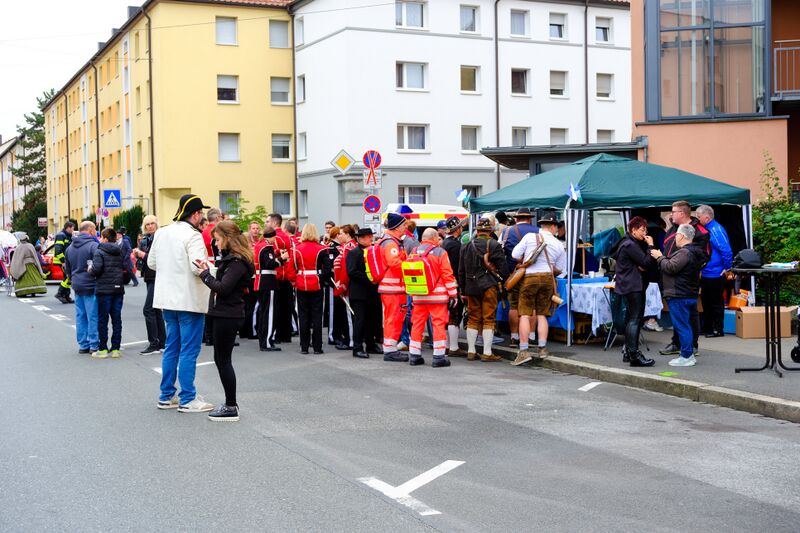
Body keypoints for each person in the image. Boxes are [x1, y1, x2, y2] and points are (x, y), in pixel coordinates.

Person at [147, 194, 214, 413]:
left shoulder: (162, 231)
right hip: (188, 299)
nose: (202, 217)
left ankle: (166, 395)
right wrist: (216, 270)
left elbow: (152, 262)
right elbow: (198, 267)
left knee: (172, 348)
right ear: (194, 214)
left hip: (167, 299)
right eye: (201, 213)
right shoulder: (193, 235)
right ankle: (187, 398)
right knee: (188, 350)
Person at [197, 220, 254, 421]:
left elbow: (223, 288)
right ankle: (230, 404)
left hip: (228, 315)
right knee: (222, 360)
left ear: (228, 239)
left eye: (218, 240)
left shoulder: (237, 262)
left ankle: (231, 406)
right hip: (227, 313)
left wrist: (204, 274)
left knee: (223, 361)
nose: (216, 244)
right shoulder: (233, 260)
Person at [510, 214, 566, 365]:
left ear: (542, 226)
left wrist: (527, 260)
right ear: (553, 227)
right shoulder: (559, 244)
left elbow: (514, 254)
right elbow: (561, 270)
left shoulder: (529, 237)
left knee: (525, 314)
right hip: (547, 278)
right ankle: (542, 348)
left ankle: (523, 351)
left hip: (529, 278)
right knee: (542, 314)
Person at [659, 201, 710, 356]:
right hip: (671, 277)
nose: (670, 215)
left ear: (682, 213)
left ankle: (692, 346)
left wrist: (689, 269)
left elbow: (705, 255)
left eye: (673, 212)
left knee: (690, 314)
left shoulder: (700, 231)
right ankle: (677, 343)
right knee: (678, 315)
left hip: (687, 279)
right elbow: (668, 251)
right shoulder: (672, 230)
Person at [651, 224, 705, 367]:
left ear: (681, 236)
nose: (675, 237)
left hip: (679, 294)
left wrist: (660, 257)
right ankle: (689, 354)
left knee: (682, 326)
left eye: (676, 235)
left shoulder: (684, 253)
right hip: (688, 293)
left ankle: (686, 356)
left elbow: (670, 267)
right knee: (687, 325)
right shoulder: (694, 252)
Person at [405, 228, 458, 368]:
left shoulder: (414, 252)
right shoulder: (440, 252)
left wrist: (412, 294)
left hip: (419, 295)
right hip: (437, 296)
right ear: (435, 238)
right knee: (438, 324)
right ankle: (439, 356)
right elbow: (448, 275)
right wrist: (453, 294)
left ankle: (414, 355)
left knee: (417, 324)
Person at [458, 218, 509, 360]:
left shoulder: (466, 246)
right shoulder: (493, 244)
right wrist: (502, 281)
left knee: (473, 318)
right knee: (489, 318)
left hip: (471, 287)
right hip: (489, 286)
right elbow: (504, 269)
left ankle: (471, 351)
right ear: (490, 230)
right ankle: (487, 353)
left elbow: (461, 271)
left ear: (477, 230)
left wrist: (463, 290)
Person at [610, 216, 656, 367]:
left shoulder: (626, 242)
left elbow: (642, 264)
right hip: (634, 285)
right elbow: (646, 262)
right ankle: (634, 355)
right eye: (642, 230)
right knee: (635, 319)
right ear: (633, 230)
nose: (645, 233)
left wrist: (642, 263)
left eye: (646, 230)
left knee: (632, 318)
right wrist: (651, 246)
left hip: (628, 284)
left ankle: (628, 352)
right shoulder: (630, 245)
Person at [501, 207, 538, 348]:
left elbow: (501, 252)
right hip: (532, 273)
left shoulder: (506, 231)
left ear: (516, 219)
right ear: (529, 219)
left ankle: (514, 336)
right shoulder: (538, 232)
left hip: (514, 274)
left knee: (514, 306)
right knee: (532, 305)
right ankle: (531, 336)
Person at [293, 223, 332, 354]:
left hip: (301, 283)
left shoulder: (297, 249)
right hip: (317, 284)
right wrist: (321, 279)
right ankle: (317, 347)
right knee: (317, 316)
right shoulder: (322, 249)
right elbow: (327, 270)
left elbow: (293, 267)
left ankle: (304, 347)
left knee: (303, 317)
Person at [376, 213, 409, 362]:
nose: (406, 227)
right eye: (403, 225)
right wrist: (411, 266)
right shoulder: (390, 243)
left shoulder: (392, 241)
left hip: (394, 287)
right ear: (396, 227)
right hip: (392, 288)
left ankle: (391, 347)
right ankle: (389, 349)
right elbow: (394, 263)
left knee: (396, 318)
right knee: (392, 318)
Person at [695, 205, 732, 338]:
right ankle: (708, 327)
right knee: (706, 301)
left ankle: (718, 329)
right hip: (707, 272)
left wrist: (727, 268)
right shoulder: (708, 229)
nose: (697, 220)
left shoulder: (716, 229)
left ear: (707, 217)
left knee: (716, 302)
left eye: (699, 217)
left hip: (716, 273)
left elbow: (726, 250)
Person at [347, 227, 383, 358]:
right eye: (368, 237)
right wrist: (369, 279)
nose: (371, 239)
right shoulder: (354, 253)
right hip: (359, 293)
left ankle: (371, 345)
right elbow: (352, 271)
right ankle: (357, 348)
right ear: (360, 238)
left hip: (372, 292)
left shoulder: (372, 251)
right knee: (360, 321)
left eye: (371, 236)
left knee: (371, 320)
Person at [64, 221, 99, 354]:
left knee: (80, 315)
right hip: (91, 284)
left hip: (77, 285)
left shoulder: (70, 248)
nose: (95, 232)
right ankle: (94, 344)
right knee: (93, 315)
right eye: (94, 229)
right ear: (90, 230)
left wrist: (72, 278)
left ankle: (83, 344)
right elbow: (98, 266)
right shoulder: (93, 246)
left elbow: (67, 268)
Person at [90, 227, 125, 359]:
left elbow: (97, 269)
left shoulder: (99, 251)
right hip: (118, 289)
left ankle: (103, 348)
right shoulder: (119, 251)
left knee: (103, 319)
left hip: (104, 289)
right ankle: (116, 348)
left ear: (104, 238)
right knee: (116, 318)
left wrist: (90, 269)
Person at [135, 215, 166, 355]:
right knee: (156, 310)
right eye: (147, 224)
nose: (150, 226)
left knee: (148, 310)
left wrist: (141, 255)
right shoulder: (145, 239)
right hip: (149, 276)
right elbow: (143, 262)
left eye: (152, 223)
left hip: (158, 277)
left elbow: (158, 259)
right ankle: (161, 342)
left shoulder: (160, 238)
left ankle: (154, 343)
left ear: (157, 224)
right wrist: (138, 257)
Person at [253, 227, 287, 352]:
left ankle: (264, 340)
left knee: (263, 312)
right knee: (269, 313)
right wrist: (282, 259)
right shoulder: (267, 247)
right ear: (272, 237)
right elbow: (269, 264)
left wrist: (276, 254)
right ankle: (267, 341)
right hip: (268, 282)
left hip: (260, 281)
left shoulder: (259, 245)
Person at [440, 216, 466, 356]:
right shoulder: (455, 245)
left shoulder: (444, 243)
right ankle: (454, 347)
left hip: (443, 284)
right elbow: (457, 268)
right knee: (455, 315)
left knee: (446, 315)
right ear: (457, 229)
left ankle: (446, 345)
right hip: (453, 283)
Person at [270, 213, 297, 343]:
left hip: (278, 274)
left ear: (275, 223)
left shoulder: (274, 237)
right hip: (286, 274)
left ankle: (277, 334)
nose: (266, 224)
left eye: (268, 221)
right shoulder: (287, 237)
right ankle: (286, 335)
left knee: (277, 306)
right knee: (287, 306)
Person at [332, 225, 357, 349]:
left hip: (347, 287)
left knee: (349, 316)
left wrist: (341, 286)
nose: (339, 236)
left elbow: (346, 269)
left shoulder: (348, 247)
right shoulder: (347, 247)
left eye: (341, 233)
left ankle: (351, 341)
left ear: (347, 234)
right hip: (348, 285)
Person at [239, 221, 263, 340]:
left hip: (256, 276)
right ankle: (248, 330)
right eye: (253, 228)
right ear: (249, 229)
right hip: (249, 277)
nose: (255, 230)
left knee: (253, 304)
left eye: (257, 228)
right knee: (249, 304)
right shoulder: (246, 244)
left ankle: (249, 329)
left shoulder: (260, 242)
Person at [9, 232, 46, 297]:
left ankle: (23, 291)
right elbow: (35, 256)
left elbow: (16, 258)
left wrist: (15, 266)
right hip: (31, 264)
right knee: (34, 277)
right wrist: (38, 266)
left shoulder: (18, 247)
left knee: (23, 278)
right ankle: (33, 291)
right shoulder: (30, 246)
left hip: (22, 265)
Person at [54, 221, 75, 303]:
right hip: (62, 261)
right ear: (68, 228)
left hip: (66, 260)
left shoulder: (67, 236)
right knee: (68, 277)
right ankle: (59, 294)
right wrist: (63, 261)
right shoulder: (61, 235)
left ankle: (66, 296)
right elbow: (58, 249)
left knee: (67, 278)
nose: (73, 230)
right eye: (72, 228)